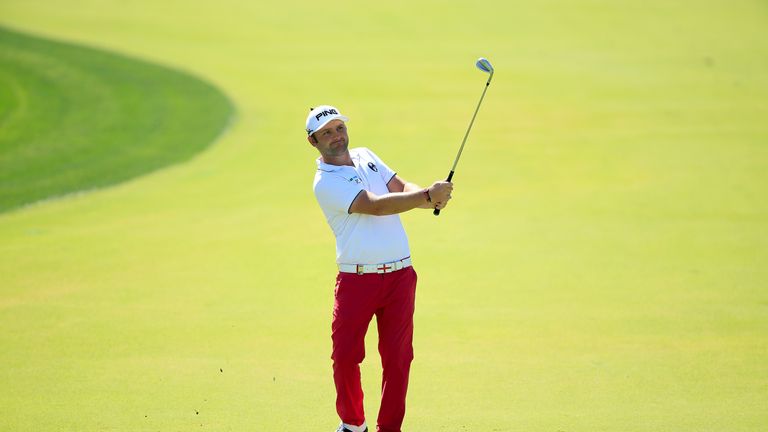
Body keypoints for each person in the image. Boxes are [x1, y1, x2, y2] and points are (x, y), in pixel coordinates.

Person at [307, 105, 453, 432]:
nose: (336, 136)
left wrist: (429, 199)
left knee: (399, 360)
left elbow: (399, 188)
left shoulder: (365, 154)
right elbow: (373, 206)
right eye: (326, 133)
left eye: (338, 128)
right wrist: (427, 195)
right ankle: (352, 424)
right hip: (357, 279)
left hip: (401, 276)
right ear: (313, 141)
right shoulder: (324, 182)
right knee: (345, 356)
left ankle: (390, 428)